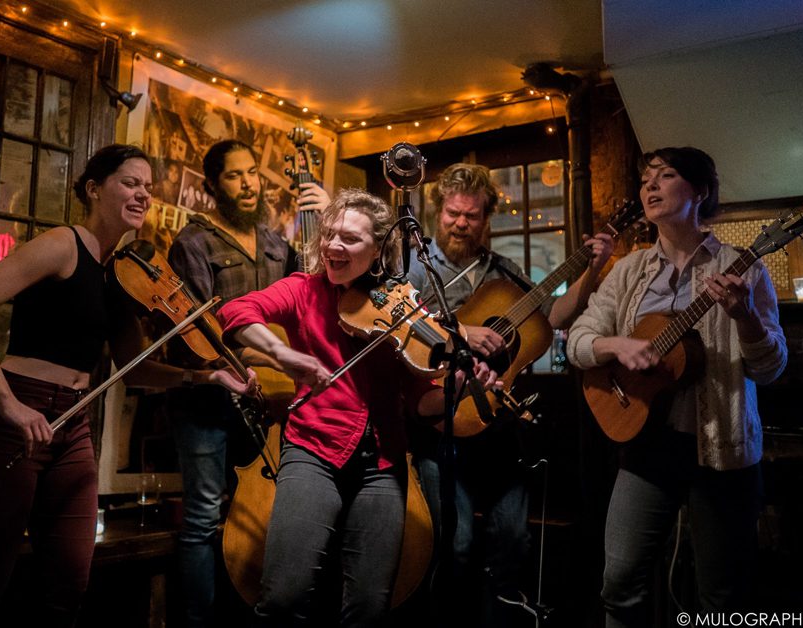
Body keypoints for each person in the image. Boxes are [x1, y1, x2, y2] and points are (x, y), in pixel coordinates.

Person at [0, 144, 254, 628]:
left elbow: (136, 368)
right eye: (131, 182)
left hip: (72, 426)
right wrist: (6, 402)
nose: (143, 194)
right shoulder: (64, 244)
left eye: (148, 187)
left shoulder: (121, 274)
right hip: (18, 415)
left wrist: (209, 376)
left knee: (69, 581)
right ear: (94, 189)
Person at [217, 188, 500, 626]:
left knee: (369, 605)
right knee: (284, 596)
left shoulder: (402, 306)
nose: (333, 246)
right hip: (312, 451)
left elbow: (420, 402)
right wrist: (282, 352)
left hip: (383, 464)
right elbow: (238, 312)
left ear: (380, 248)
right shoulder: (302, 290)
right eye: (329, 234)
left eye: (349, 239)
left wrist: (459, 387)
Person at [566, 147, 787, 627]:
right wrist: (616, 346)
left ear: (700, 191)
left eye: (666, 176)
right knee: (619, 582)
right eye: (647, 178)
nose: (650, 186)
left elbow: (771, 368)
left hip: (721, 453)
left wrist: (744, 316)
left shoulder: (741, 267)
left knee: (722, 597)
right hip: (645, 447)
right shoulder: (629, 270)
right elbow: (577, 341)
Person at [404, 162, 613, 627]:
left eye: (472, 216)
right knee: (454, 543)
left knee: (512, 538)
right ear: (439, 212)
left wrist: (592, 269)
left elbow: (555, 315)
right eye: (453, 213)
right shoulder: (415, 268)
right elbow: (401, 328)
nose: (461, 223)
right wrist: (464, 329)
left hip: (495, 421)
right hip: (440, 418)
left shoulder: (504, 271)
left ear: (487, 218)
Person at [165, 138, 330, 626]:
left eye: (253, 173)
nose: (248, 184)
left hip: (269, 403)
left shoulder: (279, 244)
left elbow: (313, 301)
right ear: (213, 185)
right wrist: (261, 359)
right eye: (235, 176)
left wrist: (322, 214)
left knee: (265, 514)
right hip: (207, 402)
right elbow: (197, 334)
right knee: (202, 518)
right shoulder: (192, 243)